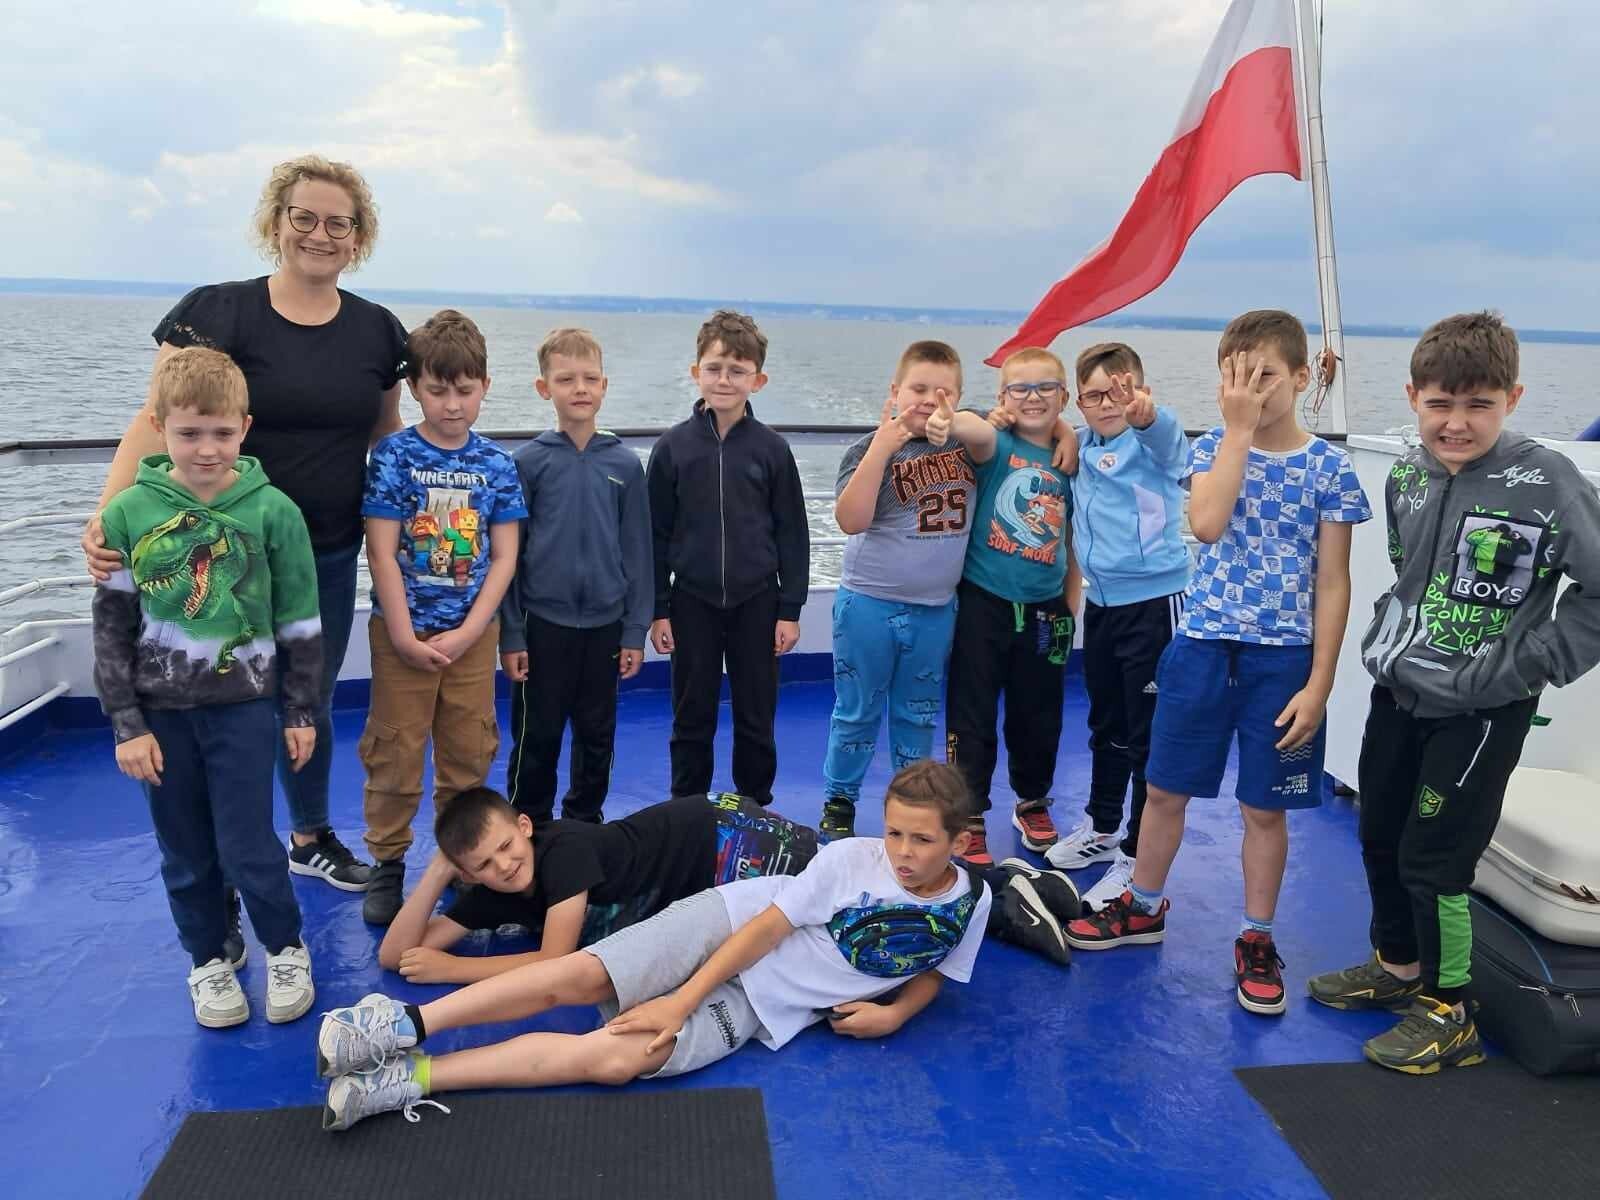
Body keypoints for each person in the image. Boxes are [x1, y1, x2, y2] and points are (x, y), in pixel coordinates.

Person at [316, 762, 996, 1131]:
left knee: (615, 1062)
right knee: (581, 976)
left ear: (960, 842)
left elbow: (940, 969)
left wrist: (896, 1013)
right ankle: (397, 1026)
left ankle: (409, 1078)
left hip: (767, 1004)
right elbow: (763, 930)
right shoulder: (849, 861)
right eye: (894, 833)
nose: (901, 852)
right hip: (726, 920)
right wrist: (679, 1001)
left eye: (922, 840)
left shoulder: (973, 900)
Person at [82, 155, 410, 911]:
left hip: (324, 553)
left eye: (338, 222)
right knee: (212, 702)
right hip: (212, 552)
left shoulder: (376, 331)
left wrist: (431, 521)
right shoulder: (219, 312)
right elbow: (153, 420)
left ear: (358, 236)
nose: (319, 234)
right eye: (304, 217)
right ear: (276, 223)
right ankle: (223, 853)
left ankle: (310, 838)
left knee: (308, 696)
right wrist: (108, 513)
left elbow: (387, 435)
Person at [1309, 311, 1600, 1072]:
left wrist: (1526, 664)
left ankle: (1450, 1010)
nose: (1456, 423)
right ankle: (1398, 966)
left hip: (1481, 710)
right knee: (1379, 834)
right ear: (1413, 398)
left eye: (1479, 405)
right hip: (1399, 692)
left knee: (1436, 861)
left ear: (1513, 399)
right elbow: (1411, 575)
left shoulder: (1548, 482)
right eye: (1440, 404)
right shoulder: (1406, 475)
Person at [1065, 311, 1372, 1021]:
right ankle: (1143, 905)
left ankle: (1257, 936)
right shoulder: (1212, 448)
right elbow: (1205, 523)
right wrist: (1236, 432)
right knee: (1165, 788)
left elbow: (1333, 581)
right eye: (1236, 376)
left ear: (1302, 378)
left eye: (1266, 376)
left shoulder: (1328, 468)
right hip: (1203, 645)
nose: (1250, 390)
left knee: (1264, 807)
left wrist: (1320, 683)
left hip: (1283, 659)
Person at [91, 347, 319, 1028]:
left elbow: (300, 621)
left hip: (245, 709)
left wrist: (299, 710)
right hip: (159, 717)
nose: (207, 449)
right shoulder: (128, 513)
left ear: (244, 428)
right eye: (189, 433)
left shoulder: (276, 512)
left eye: (222, 432)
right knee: (185, 850)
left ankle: (284, 947)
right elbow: (111, 627)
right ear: (158, 427)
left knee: (249, 845)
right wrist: (127, 725)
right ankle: (208, 958)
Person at [378, 784, 1081, 985]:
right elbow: (395, 954)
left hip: (721, 840)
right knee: (843, 886)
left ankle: (996, 896)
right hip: (703, 871)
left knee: (848, 882)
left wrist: (452, 970)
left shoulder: (559, 854)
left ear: (526, 828)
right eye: (483, 866)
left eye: (507, 847)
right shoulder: (489, 883)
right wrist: (439, 869)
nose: (504, 868)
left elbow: (556, 961)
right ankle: (1010, 880)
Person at [356, 310, 525, 924]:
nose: (452, 405)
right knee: (395, 750)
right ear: (413, 389)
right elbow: (381, 550)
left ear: (484, 387)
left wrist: (472, 630)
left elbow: (504, 556)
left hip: (473, 638)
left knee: (467, 751)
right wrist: (403, 633)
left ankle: (461, 860)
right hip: (402, 633)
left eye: (464, 390)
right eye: (437, 390)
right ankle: (388, 859)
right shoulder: (393, 457)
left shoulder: (497, 464)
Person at [1045, 343, 1193, 915]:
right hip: (1102, 606)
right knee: (1106, 723)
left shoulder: (1151, 441)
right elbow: (1051, 426)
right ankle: (1104, 826)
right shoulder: (1082, 444)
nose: (1107, 404)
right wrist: (1062, 424)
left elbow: (1169, 442)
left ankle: (1136, 854)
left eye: (1118, 392)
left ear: (1138, 390)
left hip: (1153, 605)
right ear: (1079, 402)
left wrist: (1147, 416)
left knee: (1148, 736)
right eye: (1094, 395)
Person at [646, 311, 810, 805]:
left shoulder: (772, 450)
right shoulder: (672, 449)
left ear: (757, 380)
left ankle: (755, 806)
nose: (724, 380)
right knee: (691, 714)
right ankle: (686, 809)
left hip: (757, 601)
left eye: (737, 371)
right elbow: (654, 535)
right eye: (714, 368)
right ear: (695, 372)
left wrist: (790, 609)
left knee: (756, 715)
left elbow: (792, 532)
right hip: (690, 601)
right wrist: (658, 608)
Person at [818, 340, 980, 844]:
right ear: (895, 391)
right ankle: (840, 800)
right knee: (857, 709)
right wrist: (883, 447)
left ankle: (912, 803)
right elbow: (851, 520)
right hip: (868, 604)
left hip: (935, 610)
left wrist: (957, 422)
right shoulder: (865, 449)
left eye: (943, 392)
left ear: (959, 399)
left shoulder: (967, 445)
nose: (929, 400)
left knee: (918, 714)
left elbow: (997, 430)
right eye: (918, 389)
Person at [499, 328, 652, 824]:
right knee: (536, 735)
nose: (579, 388)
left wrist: (634, 631)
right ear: (544, 388)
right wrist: (512, 633)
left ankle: (584, 824)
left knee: (596, 734)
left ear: (604, 386)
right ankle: (529, 824)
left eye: (589, 378)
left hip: (606, 627)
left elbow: (639, 554)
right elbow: (509, 558)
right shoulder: (528, 463)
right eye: (566, 379)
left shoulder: (625, 466)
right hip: (543, 625)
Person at [939, 348, 1080, 864]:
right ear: (1002, 397)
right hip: (985, 603)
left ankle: (1032, 801)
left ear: (1064, 397)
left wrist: (1070, 605)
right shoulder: (995, 442)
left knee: (1039, 714)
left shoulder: (1073, 456)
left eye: (1046, 388)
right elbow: (971, 431)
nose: (1033, 397)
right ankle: (969, 812)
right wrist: (956, 417)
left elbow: (1072, 539)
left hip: (1047, 610)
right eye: (1020, 388)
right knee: (971, 712)